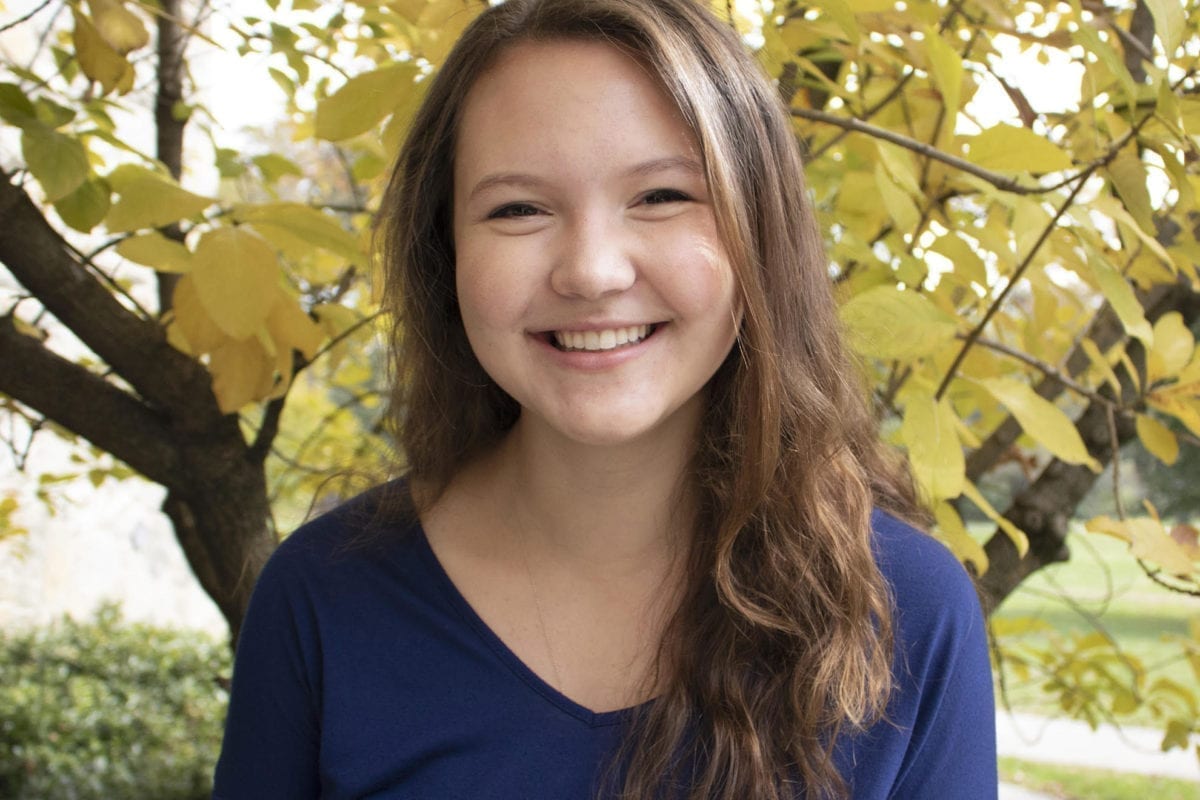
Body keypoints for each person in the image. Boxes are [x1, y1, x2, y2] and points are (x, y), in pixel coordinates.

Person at [212, 1, 998, 798]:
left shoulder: (906, 613)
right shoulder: (322, 600)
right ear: (443, 250)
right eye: (519, 208)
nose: (591, 271)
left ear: (760, 234)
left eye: (661, 196)